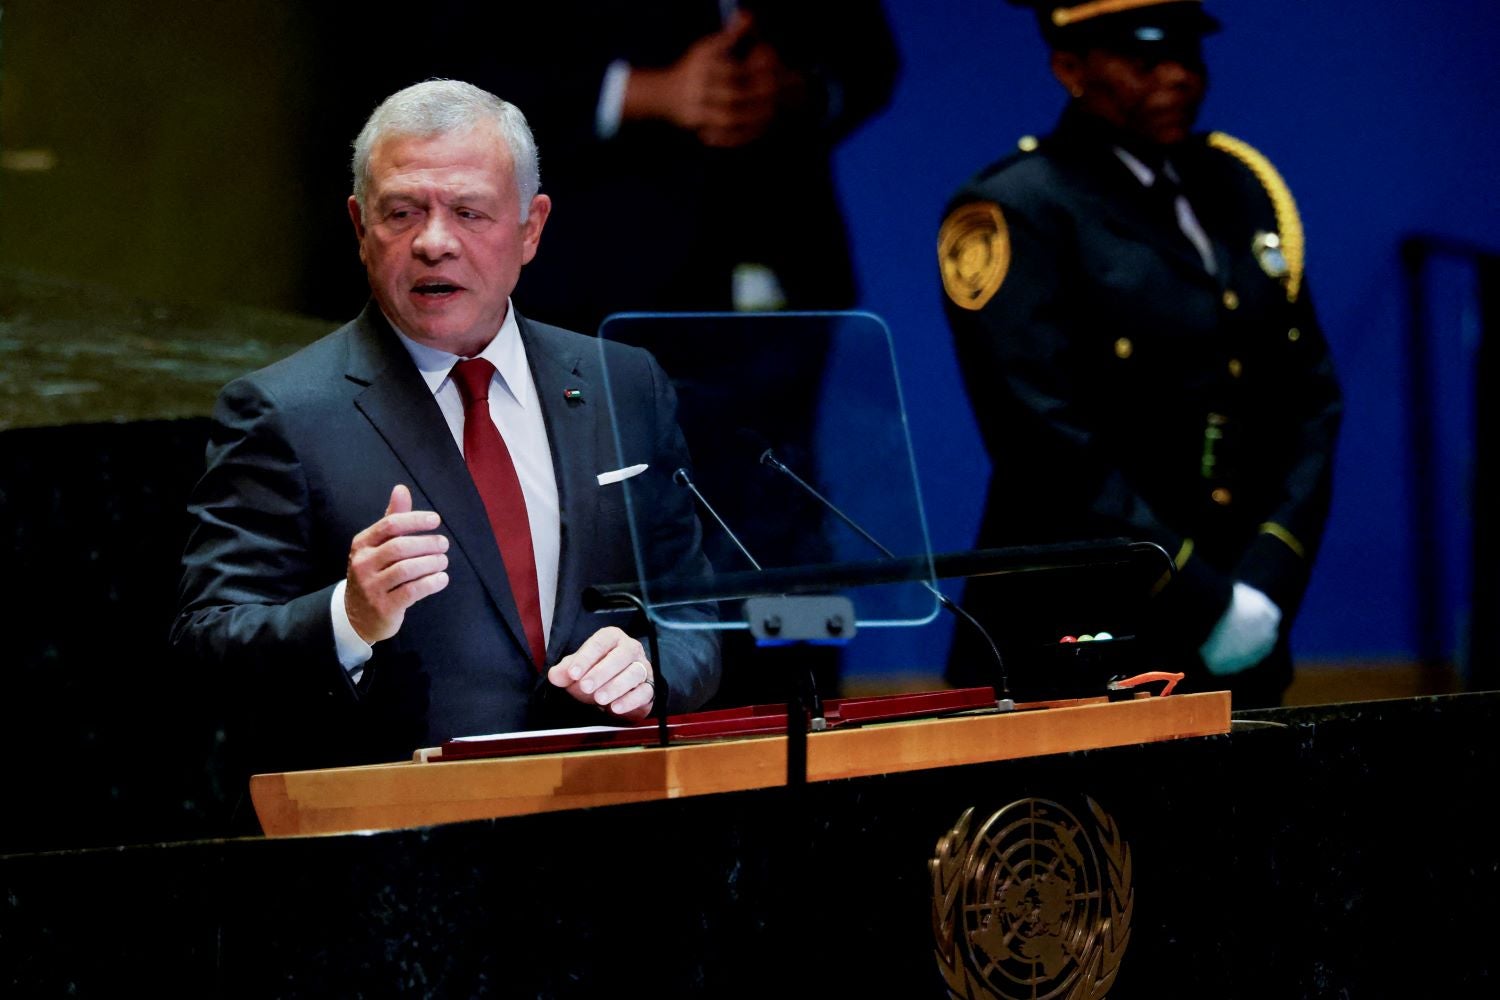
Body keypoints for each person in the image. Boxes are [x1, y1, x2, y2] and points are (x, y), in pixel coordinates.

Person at [172, 80, 719, 778]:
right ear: (359, 226)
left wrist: (649, 666)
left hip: (603, 818)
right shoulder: (285, 412)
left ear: (531, 227)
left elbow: (691, 611)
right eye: (402, 212)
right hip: (401, 847)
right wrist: (351, 615)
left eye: (468, 211)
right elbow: (207, 643)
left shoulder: (624, 383)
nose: (434, 242)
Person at [938, 0, 1342, 708]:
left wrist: (1268, 578)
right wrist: (1200, 595)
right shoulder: (1016, 209)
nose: (1178, 78)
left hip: (1245, 622)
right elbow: (1043, 441)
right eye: (1146, 59)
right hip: (1083, 631)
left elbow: (1309, 397)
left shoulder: (1238, 188)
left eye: (1189, 56)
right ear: (1071, 68)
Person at [386, 1, 901, 335]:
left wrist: (795, 89)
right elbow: (448, 70)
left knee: (777, 491)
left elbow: (869, 57)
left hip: (790, 277)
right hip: (598, 290)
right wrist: (643, 92)